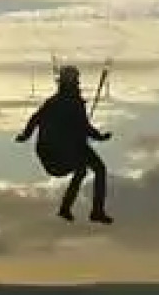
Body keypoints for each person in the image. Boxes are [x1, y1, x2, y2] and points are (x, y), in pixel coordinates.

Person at [15, 63, 112, 224]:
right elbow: (37, 118)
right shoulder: (60, 102)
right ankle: (74, 209)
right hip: (56, 152)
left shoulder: (66, 102)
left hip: (68, 147)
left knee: (95, 169)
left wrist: (99, 136)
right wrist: (25, 135)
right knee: (86, 169)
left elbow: (82, 126)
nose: (77, 84)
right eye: (75, 81)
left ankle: (89, 210)